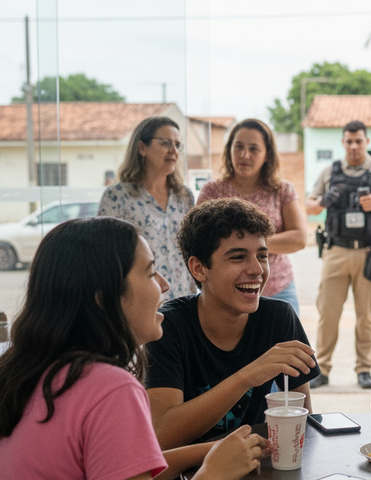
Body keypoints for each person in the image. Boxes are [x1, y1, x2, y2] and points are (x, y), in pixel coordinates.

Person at [0, 217, 269, 480]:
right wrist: (214, 473)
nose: (165, 285)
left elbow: (125, 465)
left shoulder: (27, 369)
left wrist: (213, 451)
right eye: (151, 272)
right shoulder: (110, 388)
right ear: (104, 296)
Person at [145, 197, 320, 449]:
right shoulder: (168, 326)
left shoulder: (279, 318)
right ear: (199, 268)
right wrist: (247, 377)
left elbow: (303, 421)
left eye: (262, 256)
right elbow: (161, 435)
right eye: (238, 257)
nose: (257, 270)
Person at [306, 120, 371, 389]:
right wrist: (323, 201)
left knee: (366, 316)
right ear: (343, 142)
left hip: (368, 253)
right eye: (349, 141)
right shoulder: (330, 171)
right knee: (328, 313)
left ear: (367, 142)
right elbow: (309, 206)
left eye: (358, 141)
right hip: (336, 251)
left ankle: (364, 369)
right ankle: (322, 369)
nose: (354, 146)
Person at [197, 119, 306, 314]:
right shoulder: (212, 191)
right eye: (238, 146)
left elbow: (299, 238)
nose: (244, 154)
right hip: (227, 294)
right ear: (229, 150)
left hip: (279, 290)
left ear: (267, 155)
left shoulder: (282, 190)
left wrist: (245, 246)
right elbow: (198, 241)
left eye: (254, 149)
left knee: (289, 345)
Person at [99, 116, 196, 301]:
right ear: (142, 148)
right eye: (166, 143)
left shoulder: (184, 196)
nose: (174, 151)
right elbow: (106, 258)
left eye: (177, 145)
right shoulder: (117, 196)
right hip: (142, 302)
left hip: (184, 301)